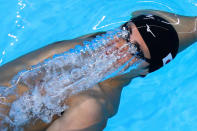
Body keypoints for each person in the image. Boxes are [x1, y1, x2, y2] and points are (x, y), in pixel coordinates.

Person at [0, 9, 197, 131]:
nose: (116, 46)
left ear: (144, 71)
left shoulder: (91, 108)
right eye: (124, 32)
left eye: (134, 50)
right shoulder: (91, 42)